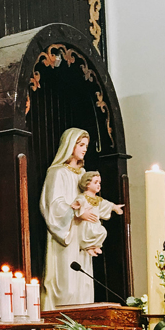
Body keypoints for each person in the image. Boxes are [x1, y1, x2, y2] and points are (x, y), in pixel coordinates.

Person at [40, 128, 96, 309]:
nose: (84, 149)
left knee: (83, 282)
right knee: (67, 284)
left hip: (82, 234)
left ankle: (83, 323)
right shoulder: (57, 172)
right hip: (65, 234)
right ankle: (62, 321)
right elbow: (53, 205)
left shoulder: (83, 174)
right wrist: (76, 213)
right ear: (70, 145)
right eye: (81, 145)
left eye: (86, 145)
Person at [71, 171, 123, 258]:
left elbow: (106, 204)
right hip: (86, 223)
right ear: (87, 184)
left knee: (102, 232)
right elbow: (79, 201)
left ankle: (95, 246)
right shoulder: (83, 197)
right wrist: (78, 205)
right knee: (89, 232)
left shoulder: (98, 199)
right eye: (95, 182)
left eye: (99, 183)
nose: (98, 185)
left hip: (95, 223)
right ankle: (88, 247)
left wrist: (115, 207)